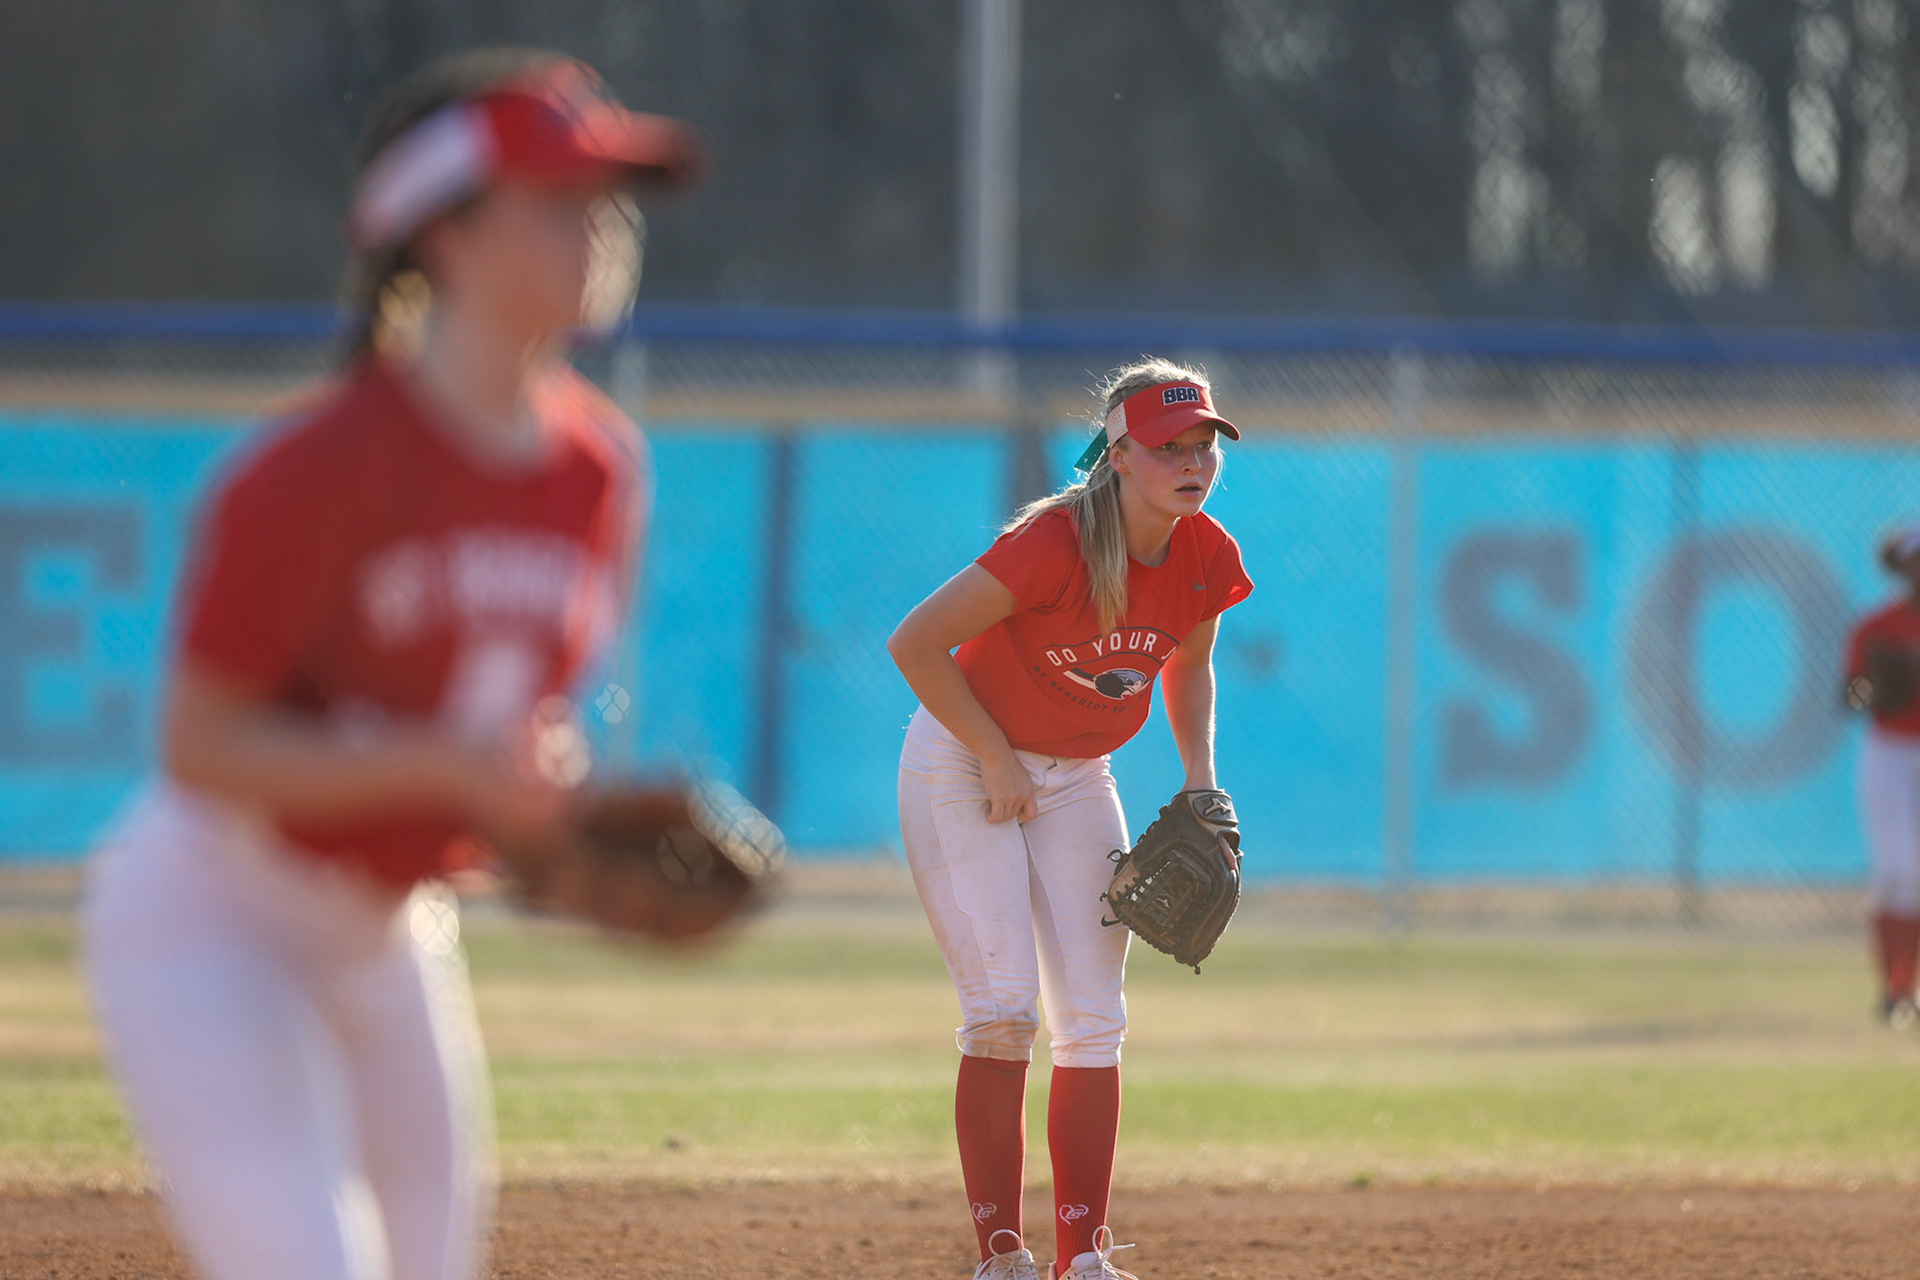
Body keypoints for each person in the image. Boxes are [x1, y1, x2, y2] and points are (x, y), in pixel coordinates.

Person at [81, 48, 702, 1280]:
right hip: (216, 914)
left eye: (607, 198)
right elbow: (201, 747)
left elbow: (498, 746)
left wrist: (546, 824)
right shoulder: (313, 470)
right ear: (448, 238)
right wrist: (456, 771)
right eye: (559, 199)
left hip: (390, 932)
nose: (602, 225)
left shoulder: (599, 472)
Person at [887, 359, 1255, 1280]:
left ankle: (1081, 1260)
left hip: (1079, 773)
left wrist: (1202, 783)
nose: (1192, 460)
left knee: (1093, 1018)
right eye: (1170, 445)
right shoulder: (1054, 544)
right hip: (962, 761)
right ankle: (1000, 1256)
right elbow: (917, 643)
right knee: (1005, 1010)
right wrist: (993, 754)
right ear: (1120, 455)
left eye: (1204, 442)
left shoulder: (1208, 554)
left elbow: (1190, 667)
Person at [1845, 525, 1920, 1027]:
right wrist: (1876, 687)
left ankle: (1900, 994)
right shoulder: (1876, 627)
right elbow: (1849, 696)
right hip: (1891, 752)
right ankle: (1895, 992)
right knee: (1901, 872)